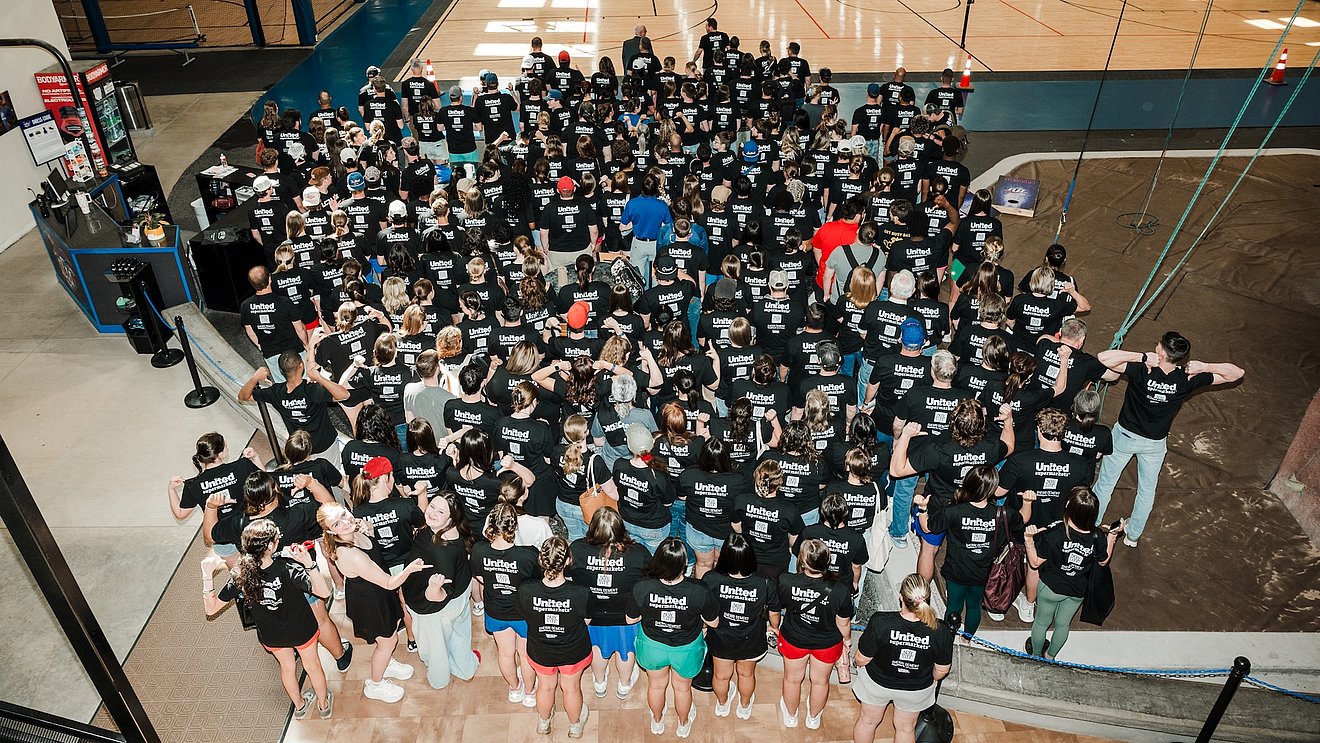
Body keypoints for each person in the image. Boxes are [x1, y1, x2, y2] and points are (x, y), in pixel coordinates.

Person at [1092, 332, 1243, 546]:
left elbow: (1103, 358)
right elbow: (1237, 373)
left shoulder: (1143, 369)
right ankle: (1133, 536)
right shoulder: (1186, 378)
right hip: (1154, 444)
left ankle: (1091, 521)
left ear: (1160, 351)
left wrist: (1141, 357)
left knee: (1105, 482)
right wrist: (1206, 367)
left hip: (1125, 436)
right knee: (1146, 490)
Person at [205, 520, 334, 720]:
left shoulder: (241, 574)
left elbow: (211, 608)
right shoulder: (289, 568)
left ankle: (299, 706)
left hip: (272, 634)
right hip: (301, 628)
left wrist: (207, 576)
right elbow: (323, 592)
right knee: (313, 666)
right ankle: (324, 706)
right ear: (271, 546)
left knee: (287, 667)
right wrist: (310, 563)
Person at [318, 499, 429, 703]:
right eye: (336, 524)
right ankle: (375, 683)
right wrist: (410, 569)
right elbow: (388, 582)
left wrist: (367, 529)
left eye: (343, 514)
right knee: (388, 641)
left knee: (391, 632)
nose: (344, 522)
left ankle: (386, 663)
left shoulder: (354, 531)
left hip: (378, 594)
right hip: (371, 603)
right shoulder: (351, 555)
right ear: (331, 532)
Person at [626, 537, 719, 738]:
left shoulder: (642, 587)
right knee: (682, 689)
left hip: (652, 646)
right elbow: (714, 623)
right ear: (685, 565)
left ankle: (657, 721)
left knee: (656, 686)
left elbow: (630, 618)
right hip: (686, 648)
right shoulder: (698, 590)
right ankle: (683, 725)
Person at [917, 464, 1018, 636]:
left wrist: (922, 509)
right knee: (974, 606)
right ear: (993, 488)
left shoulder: (953, 511)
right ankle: (968, 638)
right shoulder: (1003, 513)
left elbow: (927, 528)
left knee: (954, 605)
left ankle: (949, 635)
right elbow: (1023, 520)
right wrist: (1029, 502)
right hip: (983, 572)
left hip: (956, 570)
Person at [851, 573, 953, 743]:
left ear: (901, 597)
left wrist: (858, 665)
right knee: (906, 729)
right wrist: (926, 678)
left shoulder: (881, 622)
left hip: (877, 683)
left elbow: (862, 658)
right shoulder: (941, 630)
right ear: (926, 600)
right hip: (915, 689)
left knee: (867, 722)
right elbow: (941, 670)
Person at [1023, 487, 1121, 658]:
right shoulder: (1097, 536)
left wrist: (1028, 541)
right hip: (1077, 589)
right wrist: (1111, 537)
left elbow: (1035, 562)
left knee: (1041, 622)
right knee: (1062, 625)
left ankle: (1036, 655)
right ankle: (1050, 656)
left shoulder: (1055, 533)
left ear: (1068, 505)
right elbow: (1103, 561)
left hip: (1051, 588)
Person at [569, 507, 650, 700]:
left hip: (591, 614)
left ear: (592, 528)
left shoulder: (577, 549)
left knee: (597, 648)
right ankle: (623, 684)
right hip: (625, 614)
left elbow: (570, 577)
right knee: (626, 650)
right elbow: (647, 580)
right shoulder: (638, 553)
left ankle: (599, 683)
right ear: (621, 529)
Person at [516, 536, 594, 737]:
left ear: (541, 561)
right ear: (568, 561)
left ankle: (543, 723)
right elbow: (586, 620)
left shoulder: (526, 590)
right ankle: (575, 726)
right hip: (573, 651)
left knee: (545, 686)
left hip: (541, 650)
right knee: (571, 689)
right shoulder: (580, 592)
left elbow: (524, 615)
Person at [401, 489, 478, 689]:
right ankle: (465, 668)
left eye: (440, 512)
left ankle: (439, 680)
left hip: (436, 608)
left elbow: (438, 598)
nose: (432, 512)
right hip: (461, 594)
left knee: (435, 649)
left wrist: (433, 588)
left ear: (452, 518)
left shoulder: (443, 552)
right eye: (432, 506)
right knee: (460, 634)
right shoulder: (450, 532)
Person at [775, 538, 854, 730]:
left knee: (792, 679)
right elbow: (844, 623)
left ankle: (791, 716)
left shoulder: (786, 580)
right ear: (827, 561)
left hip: (794, 639)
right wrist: (848, 641)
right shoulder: (841, 590)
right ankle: (813, 718)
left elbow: (776, 608)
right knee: (820, 681)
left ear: (802, 561)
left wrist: (775, 626)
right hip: (827, 644)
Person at [701, 533, 779, 719]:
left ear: (725, 556)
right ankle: (744, 707)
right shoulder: (765, 583)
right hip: (751, 640)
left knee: (720, 676)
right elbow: (774, 613)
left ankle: (722, 705)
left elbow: (705, 610)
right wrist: (774, 627)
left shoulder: (711, 579)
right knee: (746, 674)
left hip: (721, 639)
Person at [472, 502, 542, 705]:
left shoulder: (479, 550)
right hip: (523, 613)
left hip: (496, 611)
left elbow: (480, 577)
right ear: (514, 527)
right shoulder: (528, 554)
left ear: (490, 526)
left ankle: (514, 688)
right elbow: (536, 583)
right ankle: (529, 692)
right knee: (525, 653)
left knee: (505, 653)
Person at [239, 351, 349, 464]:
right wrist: (319, 378)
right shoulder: (313, 390)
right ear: (301, 366)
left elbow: (243, 396)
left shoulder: (276, 392)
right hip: (325, 445)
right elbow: (344, 395)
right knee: (332, 476)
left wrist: (255, 378)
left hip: (300, 450)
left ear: (281, 371)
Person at [170, 433, 263, 565]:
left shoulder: (193, 485)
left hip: (221, 536)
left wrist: (171, 489)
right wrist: (255, 457)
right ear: (220, 454)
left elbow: (180, 514)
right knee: (263, 563)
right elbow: (265, 483)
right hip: (248, 526)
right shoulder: (242, 466)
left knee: (240, 574)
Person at [612, 423, 674, 552]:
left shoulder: (619, 465)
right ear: (652, 443)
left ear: (629, 446)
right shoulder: (658, 475)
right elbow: (668, 502)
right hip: (652, 527)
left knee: (633, 555)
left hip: (627, 520)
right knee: (652, 561)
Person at [241, 266, 307, 382]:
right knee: (304, 380)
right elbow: (300, 328)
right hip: (294, 350)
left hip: (270, 351)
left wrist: (260, 346)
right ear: (270, 279)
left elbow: (249, 330)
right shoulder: (285, 302)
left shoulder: (246, 305)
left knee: (281, 384)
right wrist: (306, 344)